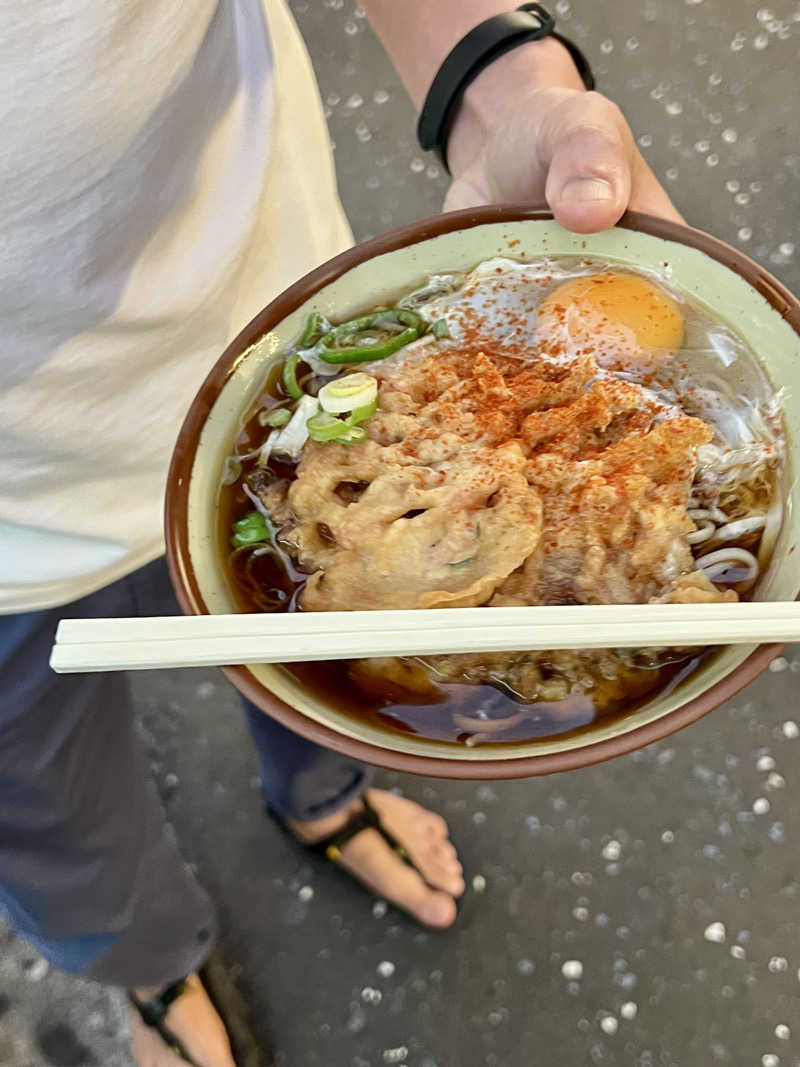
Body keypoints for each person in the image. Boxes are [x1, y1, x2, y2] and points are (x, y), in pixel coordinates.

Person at [0, 1, 681, 1064]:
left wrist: (502, 81)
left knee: (339, 681)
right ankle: (148, 965)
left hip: (275, 331)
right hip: (11, 523)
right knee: (41, 799)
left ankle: (323, 801)